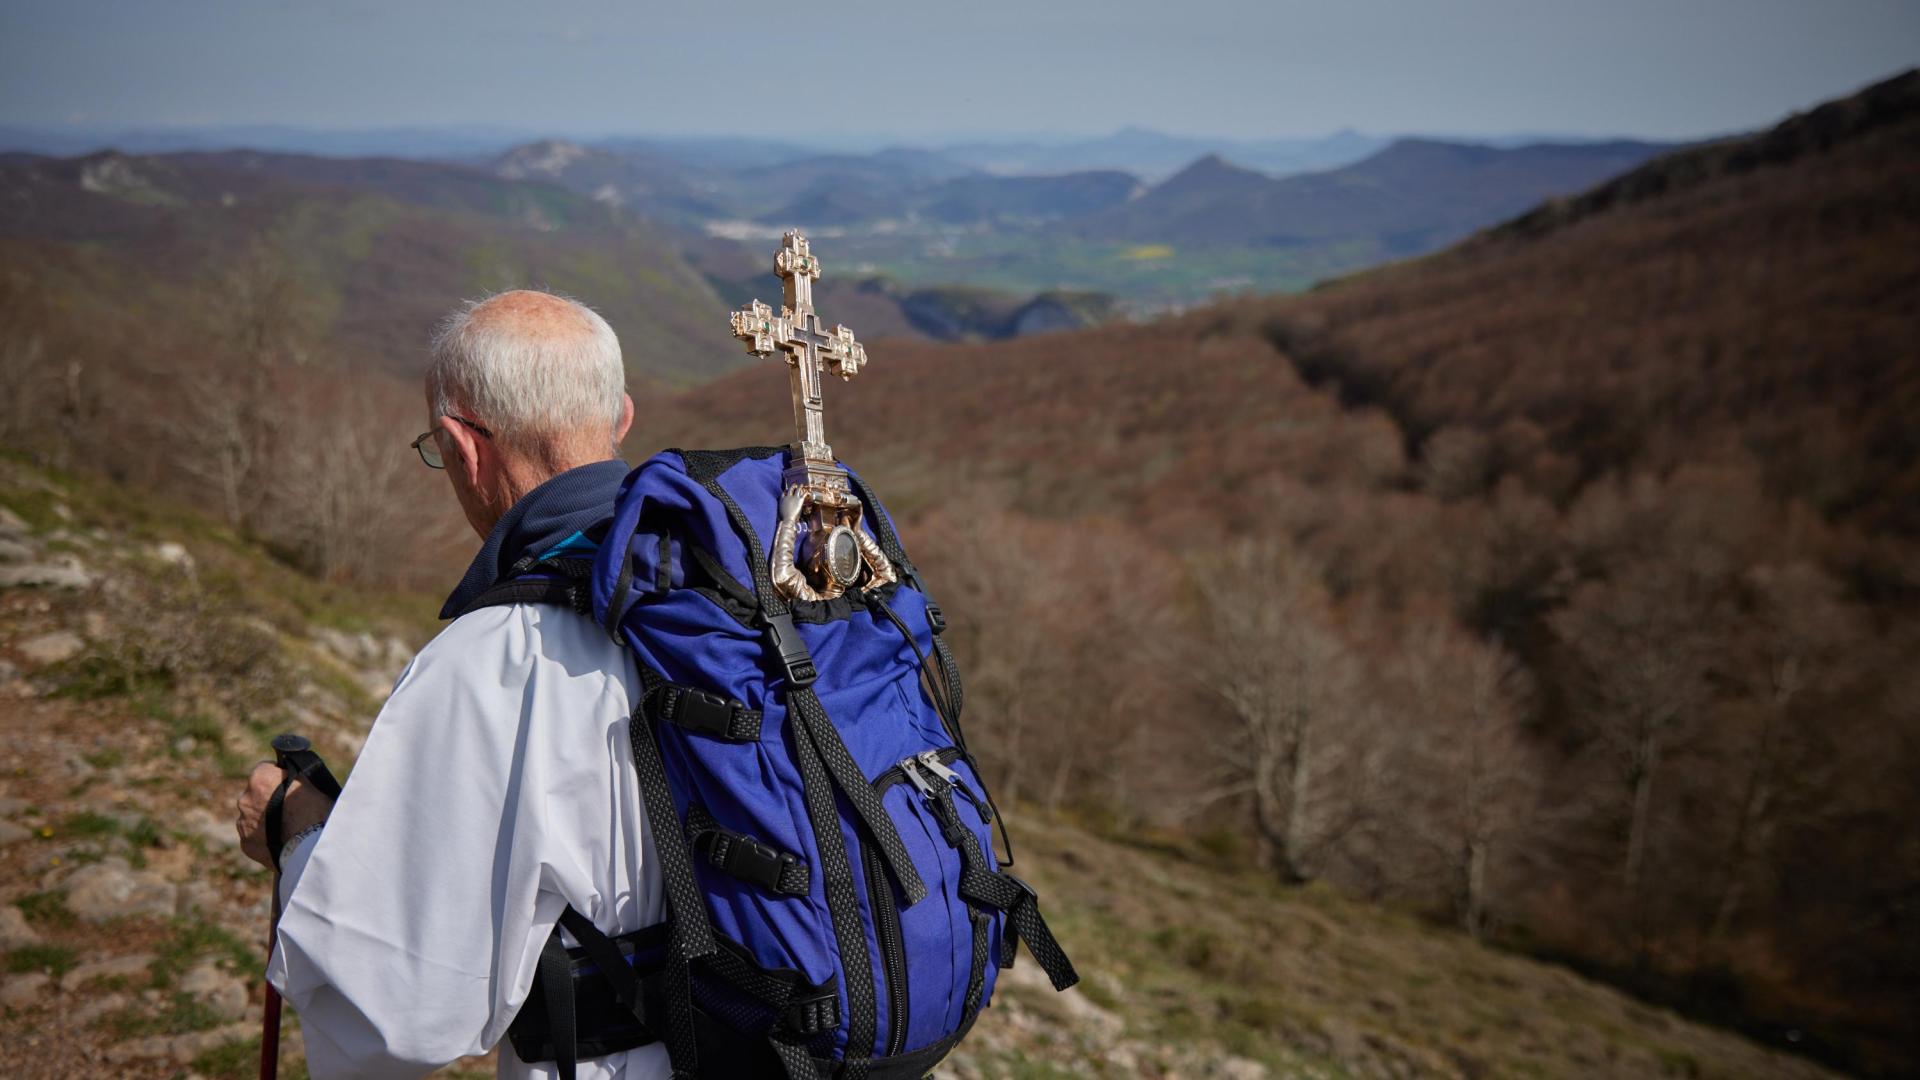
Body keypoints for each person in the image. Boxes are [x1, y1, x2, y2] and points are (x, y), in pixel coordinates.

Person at [232, 289, 668, 1079]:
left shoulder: (493, 660)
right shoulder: (742, 594)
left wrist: (292, 832)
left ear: (464, 446)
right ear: (621, 419)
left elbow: (400, 1010)